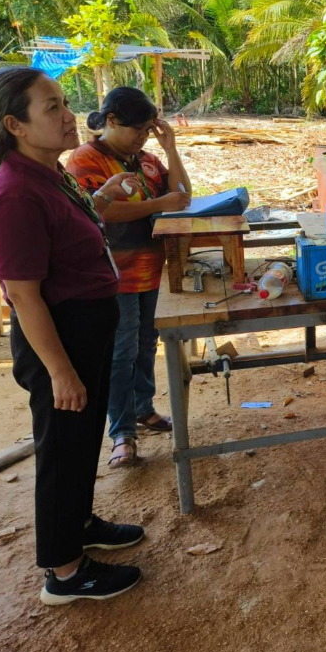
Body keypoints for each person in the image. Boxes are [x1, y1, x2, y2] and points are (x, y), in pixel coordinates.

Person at [0, 67, 147, 605]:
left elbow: (70, 228)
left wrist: (103, 198)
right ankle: (66, 572)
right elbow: (24, 295)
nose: (70, 115)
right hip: (60, 339)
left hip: (85, 329)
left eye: (64, 103)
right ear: (15, 125)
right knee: (62, 449)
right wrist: (60, 371)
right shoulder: (13, 193)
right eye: (51, 107)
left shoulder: (49, 173)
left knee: (81, 441)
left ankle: (80, 524)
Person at [66, 88, 191, 468]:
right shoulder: (86, 159)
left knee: (146, 344)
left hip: (151, 268)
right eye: (137, 129)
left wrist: (170, 149)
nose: (143, 137)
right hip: (114, 275)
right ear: (111, 120)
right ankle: (122, 432)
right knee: (121, 353)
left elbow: (182, 195)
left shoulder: (147, 160)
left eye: (148, 130)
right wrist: (158, 204)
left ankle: (142, 408)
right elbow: (97, 212)